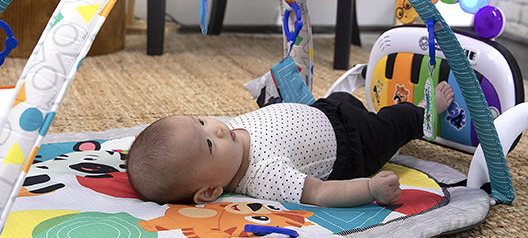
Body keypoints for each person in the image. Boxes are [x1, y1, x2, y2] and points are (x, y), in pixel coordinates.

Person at [126, 81, 454, 208]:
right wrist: (370, 190)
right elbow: (320, 193)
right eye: (209, 145)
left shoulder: (226, 134)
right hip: (354, 146)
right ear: (211, 191)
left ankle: (383, 113)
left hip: (325, 111)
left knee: (342, 97)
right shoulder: (264, 177)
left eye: (200, 122)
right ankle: (424, 117)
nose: (217, 130)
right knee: (391, 125)